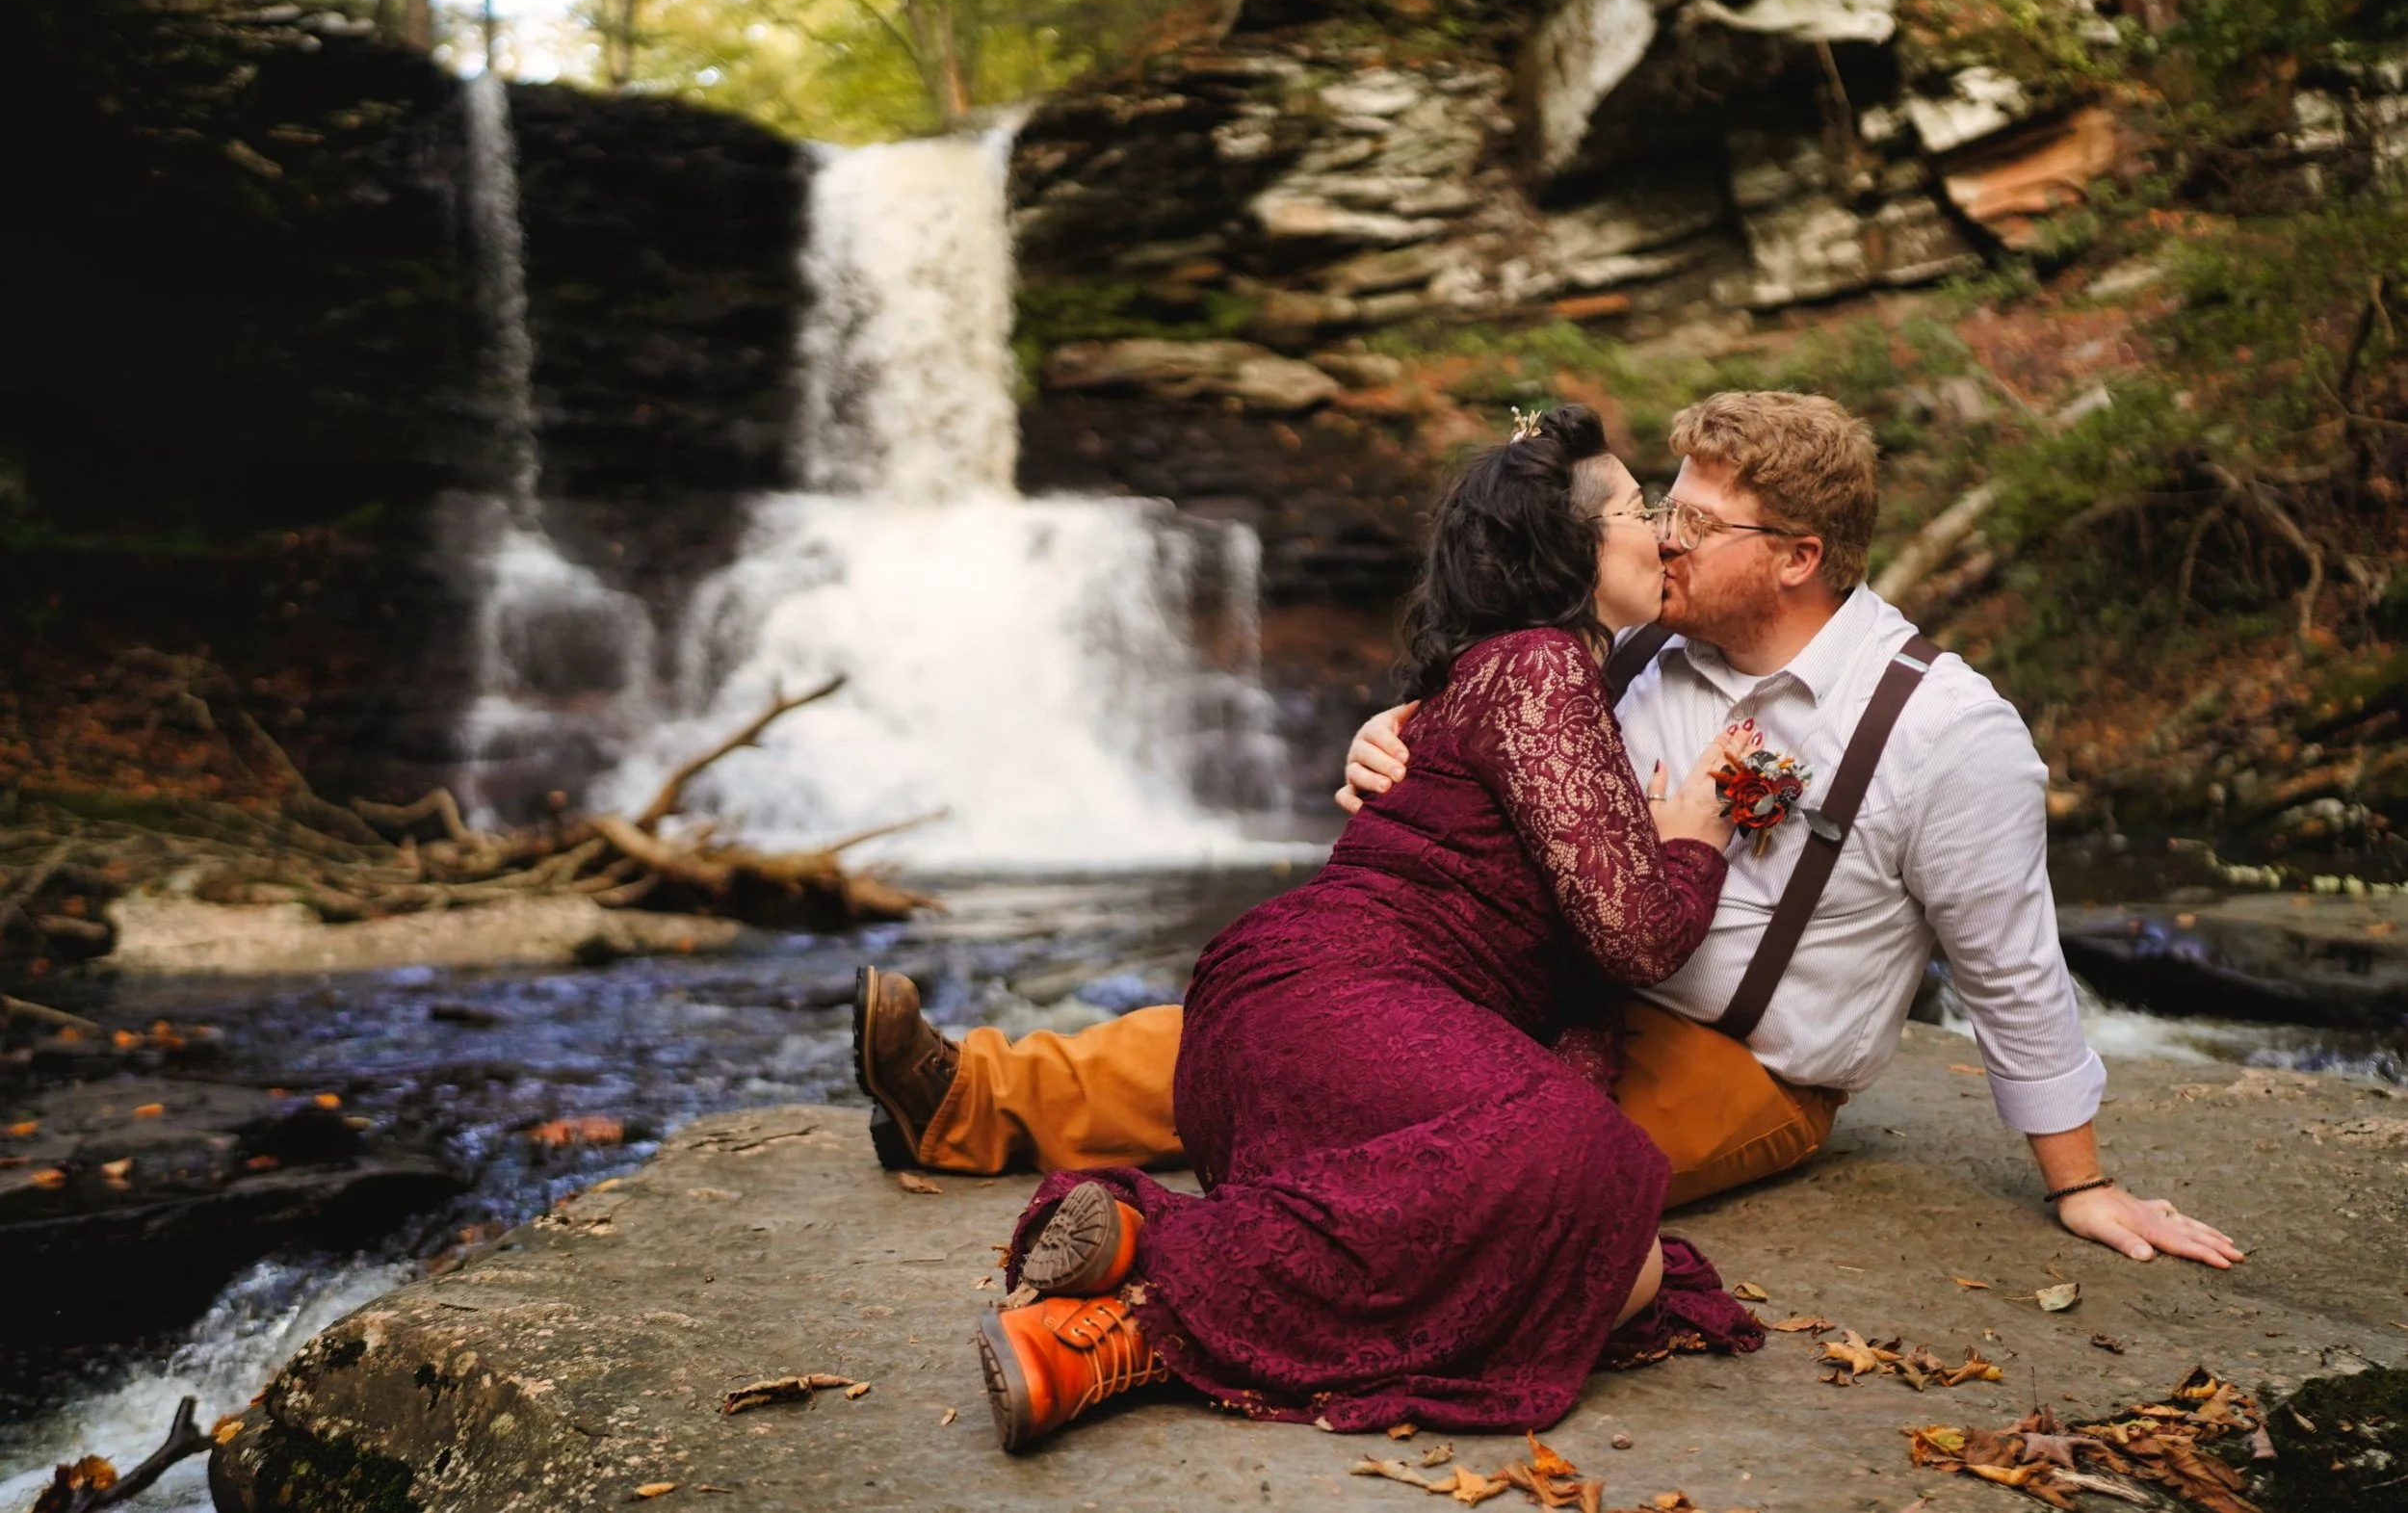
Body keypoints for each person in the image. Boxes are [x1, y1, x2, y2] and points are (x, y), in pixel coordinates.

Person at [857, 389, 2242, 1270]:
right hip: (1533, 977)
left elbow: (2011, 963)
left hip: (1736, 1063)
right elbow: (1494, 755)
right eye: (1667, 511)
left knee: (1471, 1166)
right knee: (1268, 1027)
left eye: (1698, 521)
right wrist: (1384, 740)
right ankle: (967, 1098)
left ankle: (1157, 1278)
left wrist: (2084, 1184)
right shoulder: (1631, 643)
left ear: (1802, 556)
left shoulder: (1947, 733)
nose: (1667, 540)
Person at [962, 405, 1767, 1451]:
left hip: (1275, 1036)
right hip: (1342, 1006)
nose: (1661, 534)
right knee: (1593, 1182)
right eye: (1634, 510)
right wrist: (1696, 836)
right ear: (1569, 545)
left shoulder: (1483, 677)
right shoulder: (1541, 667)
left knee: (1616, 1250)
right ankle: (1137, 1313)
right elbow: (1634, 940)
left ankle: (1118, 1254)